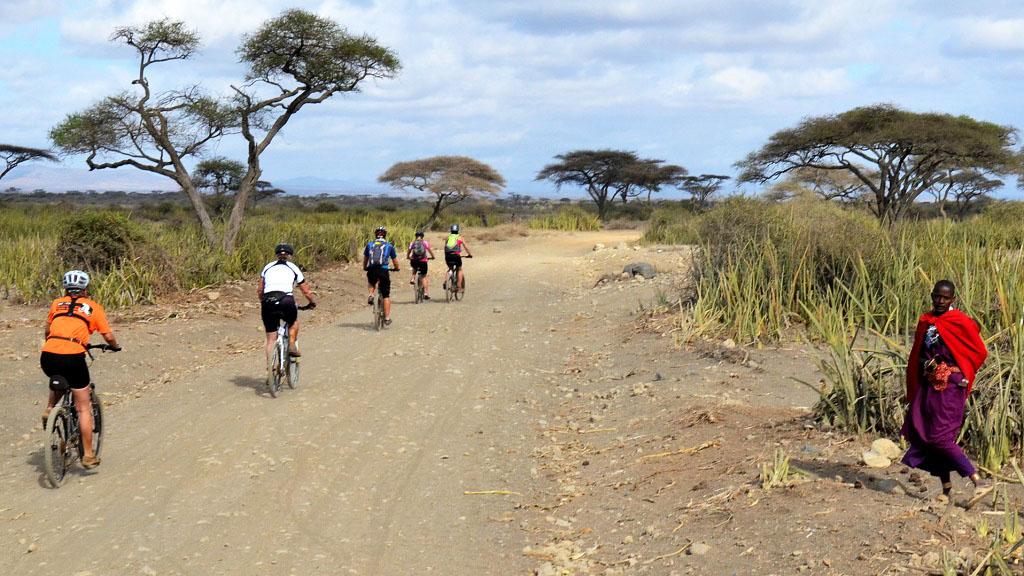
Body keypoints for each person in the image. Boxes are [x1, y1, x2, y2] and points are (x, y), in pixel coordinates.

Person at [902, 280, 991, 506]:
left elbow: (978, 352)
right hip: (929, 383)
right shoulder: (927, 321)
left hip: (952, 386)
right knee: (926, 433)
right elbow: (919, 354)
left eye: (946, 298)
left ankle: (979, 482)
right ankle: (946, 489)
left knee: (941, 436)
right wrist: (929, 366)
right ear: (932, 296)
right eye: (937, 297)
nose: (941, 301)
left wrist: (962, 374)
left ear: (953, 299)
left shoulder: (961, 322)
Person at [41, 270, 121, 469]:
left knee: (59, 376)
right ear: (85, 289)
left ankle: (50, 409)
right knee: (83, 406)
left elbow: (48, 330)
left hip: (48, 355)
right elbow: (108, 336)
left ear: (66, 288)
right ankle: (88, 455)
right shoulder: (93, 307)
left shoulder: (57, 303)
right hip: (74, 357)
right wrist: (115, 346)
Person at [259, 243, 316, 362]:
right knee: (293, 322)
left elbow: (260, 289)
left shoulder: (267, 267)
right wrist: (312, 302)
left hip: (268, 301)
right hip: (286, 300)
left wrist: (263, 301)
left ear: (276, 255)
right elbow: (305, 291)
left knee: (270, 338)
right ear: (290, 256)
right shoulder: (293, 267)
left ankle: (271, 369)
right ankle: (291, 344)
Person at [363, 226, 400, 325]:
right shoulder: (389, 246)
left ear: (376, 234)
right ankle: (387, 318)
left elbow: (365, 258)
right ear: (385, 235)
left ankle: (371, 294)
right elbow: (395, 261)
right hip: (383, 270)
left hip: (372, 269)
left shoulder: (370, 245)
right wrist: (397, 268)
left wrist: (365, 267)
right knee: (386, 295)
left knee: (371, 282)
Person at [443, 224, 473, 293]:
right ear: (458, 230)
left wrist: (446, 255)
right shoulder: (460, 237)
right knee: (459, 269)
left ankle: (445, 281)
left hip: (448, 256)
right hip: (456, 256)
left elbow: (445, 248)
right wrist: (470, 254)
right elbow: (466, 247)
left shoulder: (448, 237)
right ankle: (459, 287)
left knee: (450, 269)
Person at [406, 230, 436, 299]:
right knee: (424, 276)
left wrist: (408, 257)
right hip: (423, 261)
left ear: (416, 236)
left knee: (414, 267)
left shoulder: (412, 243)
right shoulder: (425, 243)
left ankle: (413, 278)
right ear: (422, 236)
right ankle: (425, 292)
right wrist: (433, 257)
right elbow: (430, 250)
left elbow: (409, 250)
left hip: (414, 261)